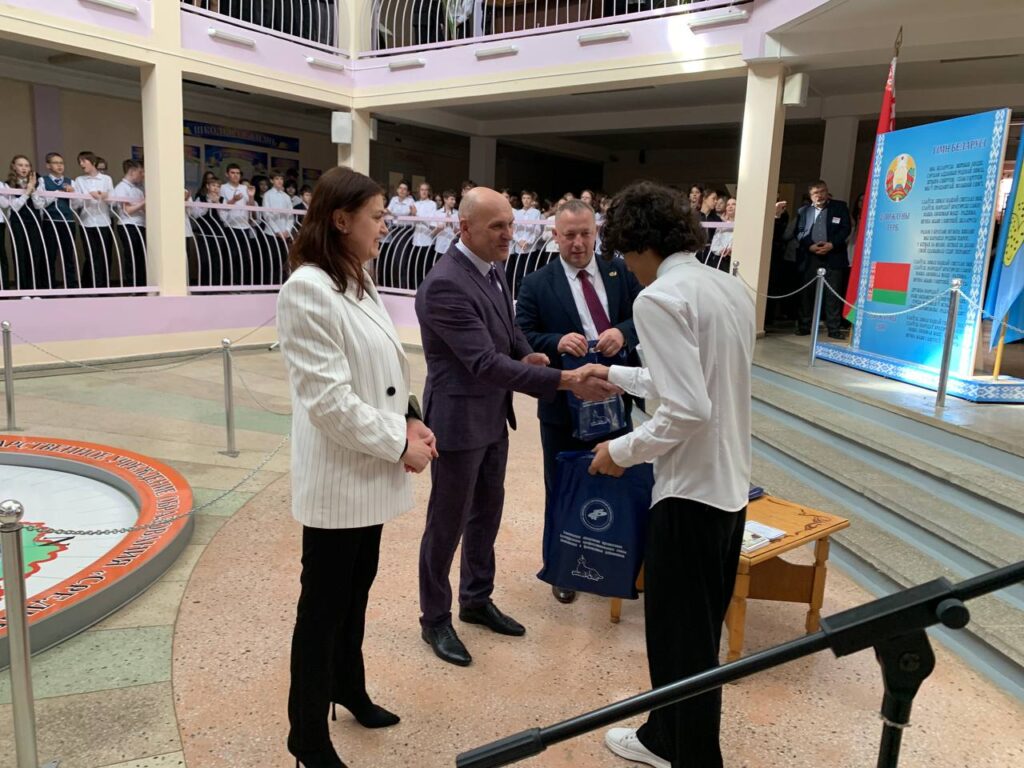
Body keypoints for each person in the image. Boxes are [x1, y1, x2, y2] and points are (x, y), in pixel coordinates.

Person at [587, 181, 755, 768]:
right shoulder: (727, 287)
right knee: (695, 635)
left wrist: (621, 450)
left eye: (624, 252)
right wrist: (617, 376)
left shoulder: (657, 298)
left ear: (638, 244)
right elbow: (696, 383)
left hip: (687, 495)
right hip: (729, 488)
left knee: (680, 644)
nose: (627, 266)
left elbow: (686, 410)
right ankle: (664, 735)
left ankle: (693, 756)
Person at [415, 186, 618, 667]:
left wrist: (528, 353)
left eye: (510, 224)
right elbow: (484, 362)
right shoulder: (446, 284)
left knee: (486, 512)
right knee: (446, 523)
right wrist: (565, 380)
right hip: (458, 421)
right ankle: (435, 618)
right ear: (465, 228)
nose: (509, 234)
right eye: (498, 226)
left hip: (491, 416)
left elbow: (507, 333)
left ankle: (476, 598)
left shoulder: (492, 269)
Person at [277, 166, 437, 768]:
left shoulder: (359, 279)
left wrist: (412, 418)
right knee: (321, 610)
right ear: (341, 220)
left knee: (355, 594)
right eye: (377, 217)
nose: (384, 227)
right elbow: (329, 402)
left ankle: (348, 686)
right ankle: (306, 736)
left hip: (369, 470)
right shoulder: (308, 289)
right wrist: (399, 444)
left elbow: (384, 371)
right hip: (340, 476)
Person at [514, 199, 643, 604]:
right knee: (564, 488)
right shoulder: (537, 283)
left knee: (617, 481)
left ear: (596, 232)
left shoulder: (620, 273)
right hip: (564, 408)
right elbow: (522, 335)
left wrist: (623, 333)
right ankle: (563, 568)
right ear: (555, 236)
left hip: (615, 398)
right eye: (569, 235)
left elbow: (644, 316)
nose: (578, 243)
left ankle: (616, 562)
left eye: (585, 233)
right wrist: (556, 341)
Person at [788, 179, 852, 339]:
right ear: (810, 196)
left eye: (823, 191)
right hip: (810, 257)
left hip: (833, 256)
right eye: (816, 193)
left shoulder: (839, 207)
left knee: (833, 294)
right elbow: (799, 231)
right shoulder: (804, 211)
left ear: (827, 191)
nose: (820, 195)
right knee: (807, 294)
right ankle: (804, 326)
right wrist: (810, 246)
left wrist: (832, 244)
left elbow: (846, 228)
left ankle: (834, 329)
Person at [34, 152, 79, 289]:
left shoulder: (71, 182)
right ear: (48, 165)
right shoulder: (43, 181)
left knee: (68, 255)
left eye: (61, 163)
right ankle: (48, 286)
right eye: (55, 163)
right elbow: (39, 204)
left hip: (68, 222)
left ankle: (70, 286)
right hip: (50, 222)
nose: (59, 166)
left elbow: (76, 206)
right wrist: (56, 194)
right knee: (49, 255)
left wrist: (73, 194)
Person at [72, 151, 115, 289]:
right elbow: (75, 204)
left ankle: (103, 286)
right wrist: (87, 196)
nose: (81, 164)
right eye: (80, 161)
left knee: (104, 255)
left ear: (93, 162)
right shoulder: (79, 180)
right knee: (91, 255)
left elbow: (113, 201)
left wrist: (105, 196)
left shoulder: (106, 179)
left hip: (104, 221)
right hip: (87, 222)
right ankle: (92, 286)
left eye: (84, 161)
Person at [5, 155, 46, 291]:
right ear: (14, 167)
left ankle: (35, 288)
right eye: (20, 165)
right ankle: (23, 290)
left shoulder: (37, 183)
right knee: (20, 254)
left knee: (35, 254)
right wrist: (27, 192)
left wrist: (32, 190)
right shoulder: (8, 184)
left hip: (34, 221)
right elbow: (14, 207)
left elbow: (39, 205)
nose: (24, 168)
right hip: (17, 222)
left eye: (27, 165)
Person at [112, 159, 147, 288]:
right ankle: (132, 285)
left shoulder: (138, 189)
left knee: (141, 257)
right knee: (131, 257)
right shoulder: (121, 188)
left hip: (141, 224)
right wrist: (143, 203)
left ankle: (142, 285)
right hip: (128, 225)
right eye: (140, 172)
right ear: (132, 172)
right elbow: (126, 210)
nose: (142, 175)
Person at [219, 164, 253, 286]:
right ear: (227, 174)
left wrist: (251, 196)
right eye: (232, 173)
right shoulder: (223, 188)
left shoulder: (245, 188)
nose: (235, 175)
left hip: (244, 226)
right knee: (231, 256)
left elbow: (251, 206)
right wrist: (234, 200)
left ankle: (244, 284)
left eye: (238, 173)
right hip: (231, 226)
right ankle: (231, 284)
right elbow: (222, 207)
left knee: (245, 257)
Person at [190, 175, 227, 287]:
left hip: (218, 235)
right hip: (204, 234)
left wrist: (217, 204)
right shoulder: (200, 198)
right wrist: (208, 204)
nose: (215, 188)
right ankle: (204, 285)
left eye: (218, 186)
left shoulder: (222, 200)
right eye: (213, 185)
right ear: (207, 186)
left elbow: (224, 218)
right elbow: (196, 214)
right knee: (204, 260)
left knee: (217, 261)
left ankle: (216, 286)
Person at [262, 171, 295, 284]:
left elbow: (291, 216)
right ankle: (269, 284)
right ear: (271, 180)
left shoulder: (286, 196)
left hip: (284, 234)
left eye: (281, 179)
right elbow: (267, 215)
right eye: (277, 178)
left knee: (284, 260)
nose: (280, 181)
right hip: (271, 233)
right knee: (271, 260)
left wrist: (287, 230)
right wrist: (277, 231)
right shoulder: (268, 195)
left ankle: (281, 283)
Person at [380, 181, 415, 288]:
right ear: (397, 190)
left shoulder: (410, 200)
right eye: (400, 188)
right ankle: (396, 284)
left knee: (403, 258)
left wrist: (392, 213)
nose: (402, 190)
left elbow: (405, 213)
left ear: (408, 192)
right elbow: (388, 210)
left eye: (405, 189)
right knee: (395, 258)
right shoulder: (394, 199)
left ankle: (404, 286)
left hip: (405, 231)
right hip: (395, 230)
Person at [410, 181, 438, 288]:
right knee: (416, 267)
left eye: (426, 190)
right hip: (416, 240)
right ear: (419, 191)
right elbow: (413, 224)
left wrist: (416, 214)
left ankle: (426, 289)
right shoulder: (415, 204)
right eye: (422, 190)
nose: (424, 192)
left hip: (427, 240)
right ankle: (416, 289)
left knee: (426, 268)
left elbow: (430, 222)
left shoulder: (432, 204)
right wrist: (413, 216)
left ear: (429, 192)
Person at [708, 197, 736, 272]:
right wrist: (720, 250)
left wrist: (733, 250)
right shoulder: (721, 225)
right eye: (728, 205)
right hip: (721, 261)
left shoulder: (743, 225)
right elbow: (713, 246)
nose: (730, 206)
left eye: (733, 204)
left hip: (735, 260)